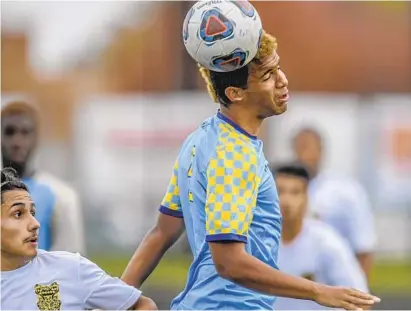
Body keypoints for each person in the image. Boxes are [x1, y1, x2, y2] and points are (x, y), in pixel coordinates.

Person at [121, 29, 380, 310]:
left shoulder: (200, 139)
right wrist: (317, 291)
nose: (283, 80)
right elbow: (229, 262)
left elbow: (162, 232)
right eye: (268, 76)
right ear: (235, 93)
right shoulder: (235, 154)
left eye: (277, 68)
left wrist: (116, 296)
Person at [0, 167, 157, 310]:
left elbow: (143, 305)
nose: (35, 224)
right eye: (18, 214)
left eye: (32, 213)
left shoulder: (71, 268)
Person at [271, 163, 369, 310]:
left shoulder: (326, 243)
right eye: (280, 192)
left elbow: (360, 300)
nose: (286, 200)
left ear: (306, 198)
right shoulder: (255, 244)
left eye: (295, 192)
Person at [1, 100, 85, 253]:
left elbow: (70, 260)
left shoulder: (61, 195)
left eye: (25, 132)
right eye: (9, 132)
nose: (17, 141)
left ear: (36, 138)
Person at [292, 127, 376, 279]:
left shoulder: (345, 191)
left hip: (334, 280)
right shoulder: (283, 191)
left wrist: (359, 291)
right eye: (299, 148)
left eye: (307, 147)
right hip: (296, 282)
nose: (302, 155)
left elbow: (364, 246)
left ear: (321, 150)